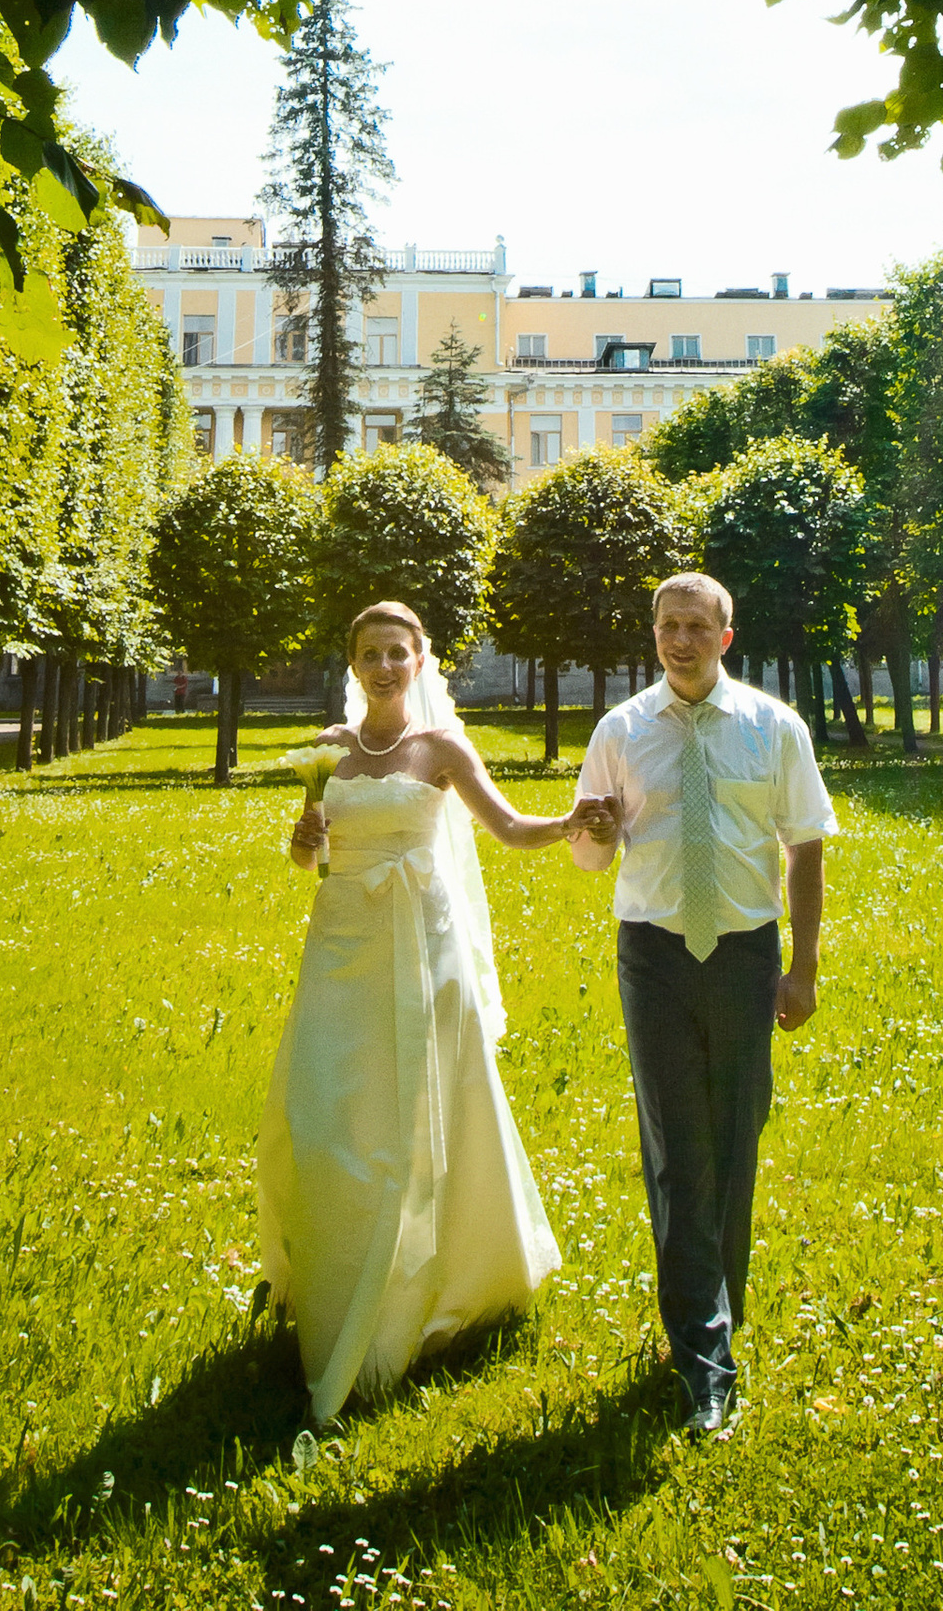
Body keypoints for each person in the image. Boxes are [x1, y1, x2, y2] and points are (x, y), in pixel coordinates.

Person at [257, 599, 587, 1428]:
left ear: (420, 659)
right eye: (370, 653)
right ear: (353, 662)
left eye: (397, 653)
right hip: (341, 949)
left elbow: (508, 828)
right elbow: (311, 859)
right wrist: (304, 840)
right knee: (329, 1106)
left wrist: (572, 821)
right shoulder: (329, 751)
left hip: (424, 947)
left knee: (426, 1108)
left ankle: (439, 1277)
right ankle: (333, 1269)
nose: (384, 666)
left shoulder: (441, 748)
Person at [569, 571, 835, 1437]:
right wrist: (595, 836)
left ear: (725, 637)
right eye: (665, 626)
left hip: (744, 957)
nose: (678, 640)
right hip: (654, 956)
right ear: (653, 635)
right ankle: (704, 1357)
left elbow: (804, 849)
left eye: (695, 626)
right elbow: (588, 861)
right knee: (679, 1148)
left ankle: (721, 1304)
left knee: (734, 1136)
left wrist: (803, 968)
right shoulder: (620, 731)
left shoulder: (773, 728)